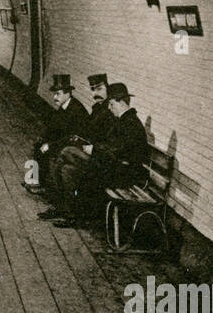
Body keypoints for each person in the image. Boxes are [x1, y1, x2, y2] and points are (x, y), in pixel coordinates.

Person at [49, 82, 148, 227]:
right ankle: (66, 211)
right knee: (66, 169)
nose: (109, 108)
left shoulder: (131, 124)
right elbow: (109, 145)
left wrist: (93, 150)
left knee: (67, 152)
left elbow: (116, 150)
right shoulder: (123, 120)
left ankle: (73, 215)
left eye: (111, 104)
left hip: (122, 173)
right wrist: (94, 147)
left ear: (121, 102)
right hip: (111, 166)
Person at [40, 74, 113, 218]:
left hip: (98, 157)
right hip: (89, 150)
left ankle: (66, 210)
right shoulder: (98, 108)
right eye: (92, 90)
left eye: (99, 89)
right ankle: (62, 207)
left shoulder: (109, 111)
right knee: (63, 164)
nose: (95, 94)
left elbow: (106, 140)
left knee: (64, 157)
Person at [25, 74, 90, 197]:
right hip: (64, 141)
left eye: (58, 94)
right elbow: (53, 127)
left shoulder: (76, 110)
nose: (54, 97)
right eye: (54, 94)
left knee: (46, 149)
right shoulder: (64, 106)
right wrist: (44, 138)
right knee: (39, 145)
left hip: (74, 145)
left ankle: (42, 185)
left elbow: (72, 136)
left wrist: (50, 144)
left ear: (68, 93)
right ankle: (34, 180)